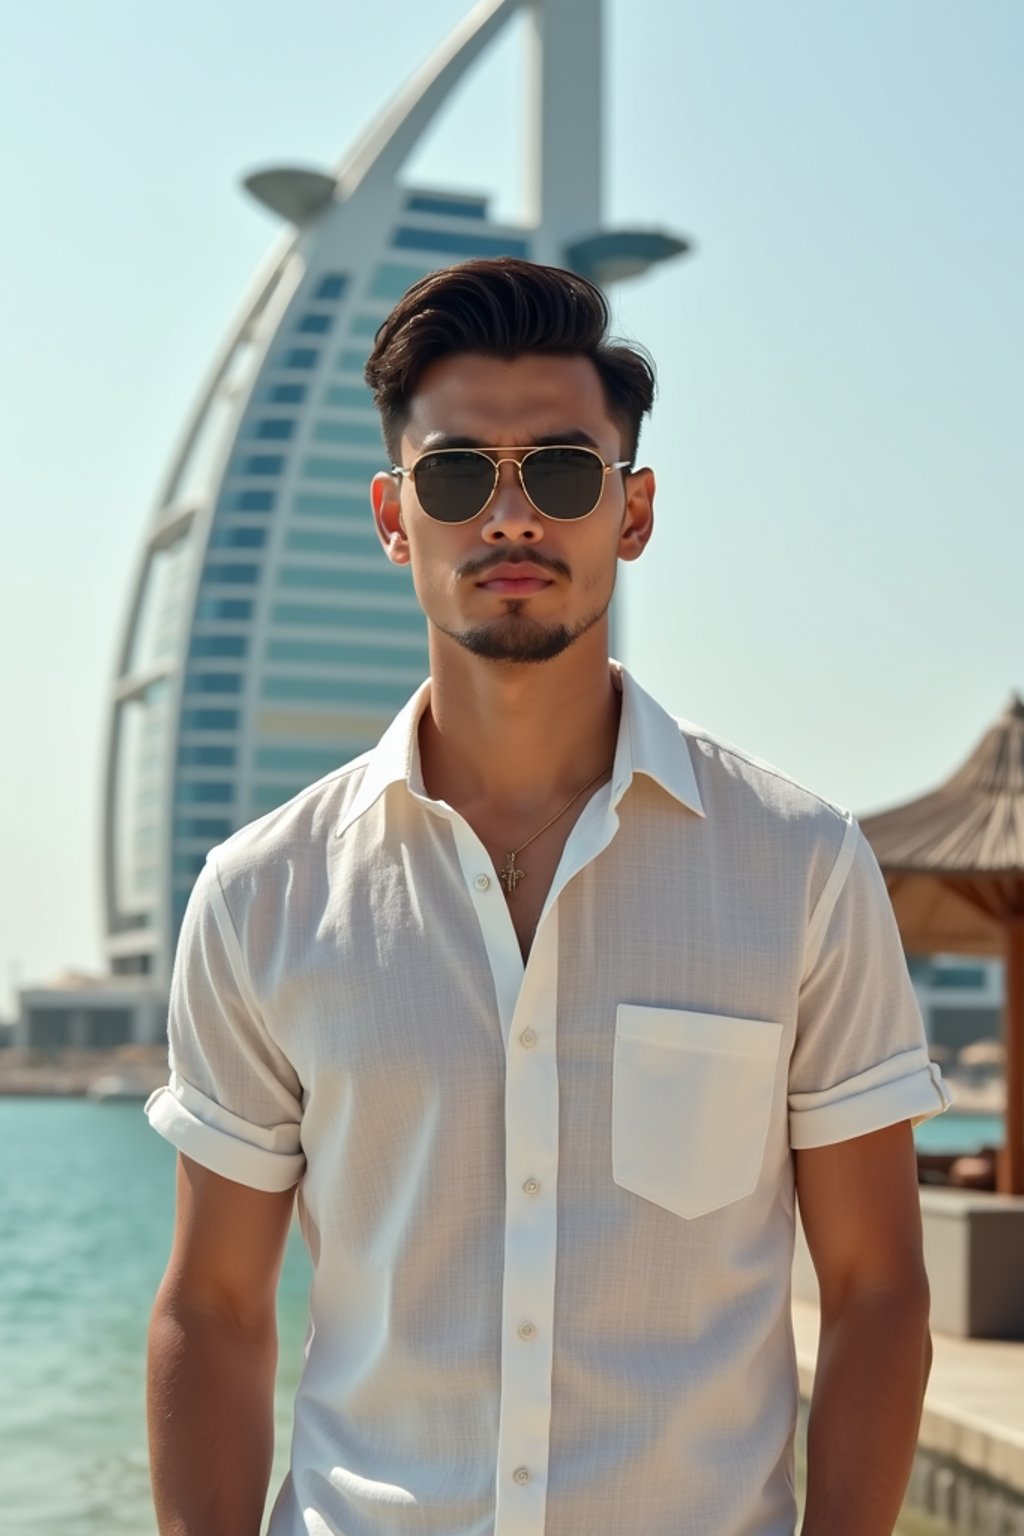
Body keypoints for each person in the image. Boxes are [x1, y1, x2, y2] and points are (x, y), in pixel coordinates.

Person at [146, 257, 950, 1536]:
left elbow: (873, 1291)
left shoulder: (799, 865)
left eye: (563, 472)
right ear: (393, 515)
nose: (512, 517)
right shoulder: (262, 896)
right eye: (459, 473)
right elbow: (216, 1309)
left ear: (630, 515)